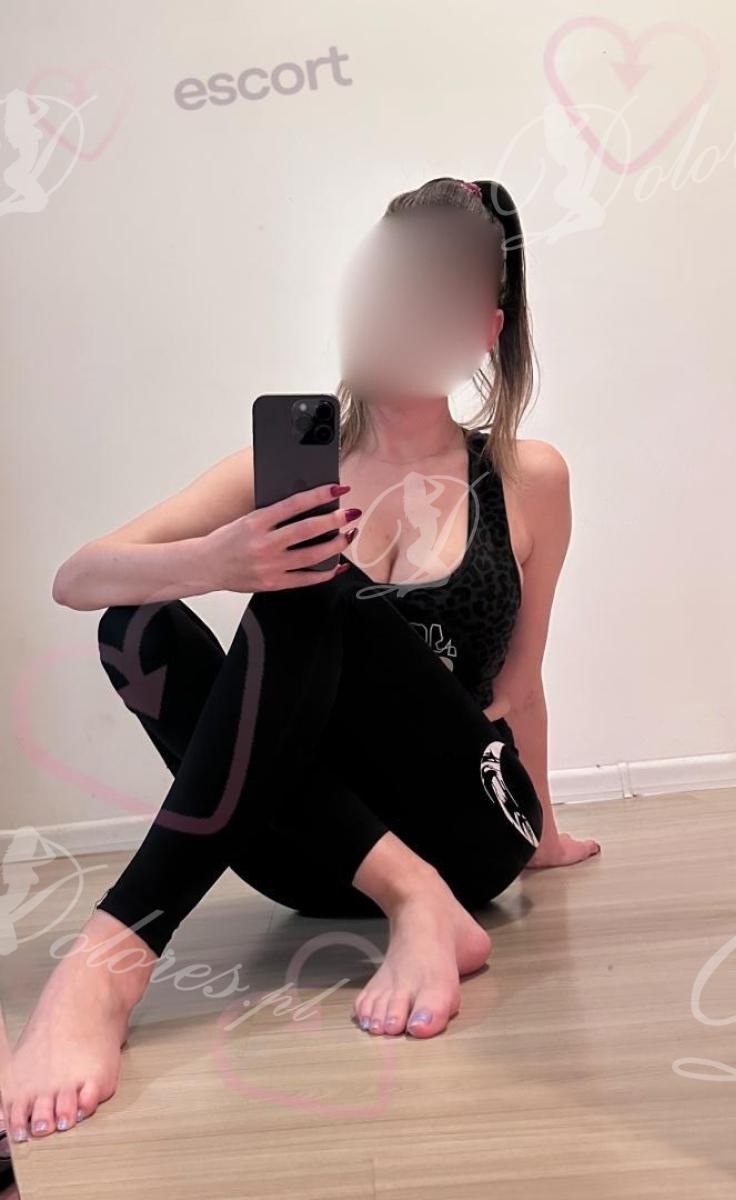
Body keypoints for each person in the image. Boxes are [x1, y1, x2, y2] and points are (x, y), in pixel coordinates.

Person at [0, 176, 600, 1144]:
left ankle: (110, 958)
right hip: (315, 861)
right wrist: (219, 560)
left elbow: (518, 682)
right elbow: (79, 578)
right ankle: (410, 896)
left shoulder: (527, 476)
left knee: (319, 583)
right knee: (137, 623)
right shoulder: (278, 472)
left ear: (483, 332)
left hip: (470, 833)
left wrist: (545, 834)